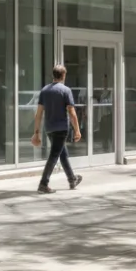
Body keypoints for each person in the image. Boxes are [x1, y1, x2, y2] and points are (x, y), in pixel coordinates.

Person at [31, 64, 83, 193]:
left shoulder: (45, 90)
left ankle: (72, 179)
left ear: (53, 75)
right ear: (64, 75)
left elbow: (39, 113)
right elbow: (71, 112)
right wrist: (77, 130)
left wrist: (36, 132)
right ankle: (43, 183)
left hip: (49, 128)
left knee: (62, 154)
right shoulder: (65, 90)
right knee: (54, 155)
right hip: (61, 128)